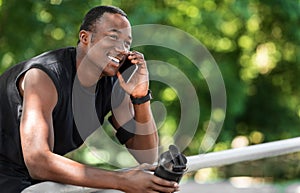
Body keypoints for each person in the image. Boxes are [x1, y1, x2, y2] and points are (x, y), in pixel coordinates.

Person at [0, 5, 179, 193]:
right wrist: (121, 180)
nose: (122, 49)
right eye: (113, 37)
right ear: (85, 38)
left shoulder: (113, 85)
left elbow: (147, 156)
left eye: (127, 43)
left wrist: (140, 97)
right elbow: (38, 162)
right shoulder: (44, 76)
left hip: (29, 179)